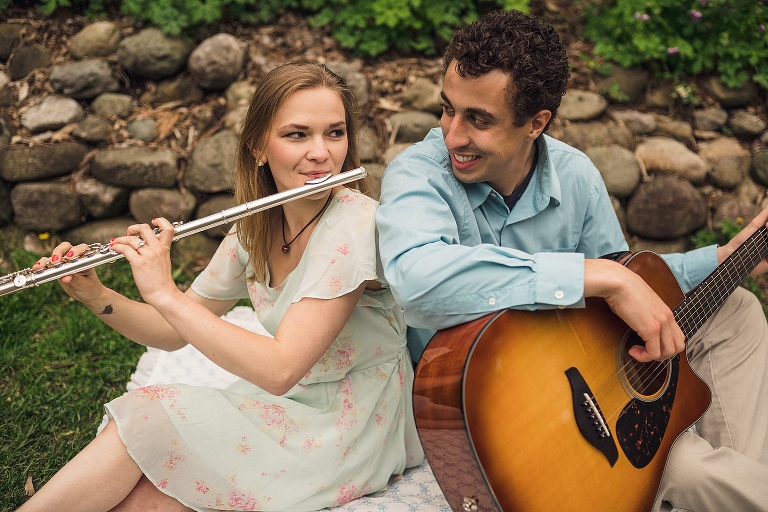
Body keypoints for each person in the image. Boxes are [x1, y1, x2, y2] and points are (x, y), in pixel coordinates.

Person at [375, 9, 768, 512]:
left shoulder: (575, 175)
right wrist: (596, 274)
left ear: (536, 123)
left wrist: (720, 258)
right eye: (448, 109)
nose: (452, 135)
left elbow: (629, 290)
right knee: (688, 470)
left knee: (736, 309)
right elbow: (417, 282)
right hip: (497, 411)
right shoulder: (418, 175)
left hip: (591, 381)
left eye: (479, 119)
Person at [20, 61, 423, 512]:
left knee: (150, 418)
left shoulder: (353, 227)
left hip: (353, 421)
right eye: (297, 135)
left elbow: (280, 368)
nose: (321, 153)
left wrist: (164, 292)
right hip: (293, 403)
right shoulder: (255, 226)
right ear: (258, 148)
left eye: (334, 133)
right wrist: (96, 294)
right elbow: (172, 332)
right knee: (142, 495)